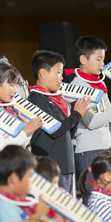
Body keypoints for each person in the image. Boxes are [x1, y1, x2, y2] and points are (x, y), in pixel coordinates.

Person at [66, 36, 111, 204]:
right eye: (98, 59)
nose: (102, 64)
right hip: (89, 151)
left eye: (103, 59)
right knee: (93, 202)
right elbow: (92, 122)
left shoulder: (98, 85)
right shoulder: (77, 86)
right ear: (83, 59)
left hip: (106, 149)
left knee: (109, 201)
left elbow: (109, 121)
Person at [28, 50, 92, 194]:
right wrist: (76, 114)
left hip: (64, 166)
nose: (61, 78)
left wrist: (76, 112)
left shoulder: (55, 99)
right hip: (49, 168)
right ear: (43, 73)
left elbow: (67, 135)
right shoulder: (36, 98)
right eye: (58, 72)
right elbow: (55, 129)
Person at [0, 62, 43, 184]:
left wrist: (28, 129)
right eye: (11, 85)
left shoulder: (7, 107)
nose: (14, 90)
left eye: (15, 85)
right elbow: (0, 147)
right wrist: (26, 131)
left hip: (11, 169)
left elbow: (20, 143)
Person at [0, 146, 64, 222]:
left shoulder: (20, 203)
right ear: (14, 178)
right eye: (30, 176)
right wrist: (39, 216)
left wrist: (58, 220)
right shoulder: (3, 207)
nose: (32, 182)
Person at [35, 156, 85, 222]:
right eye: (53, 183)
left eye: (57, 183)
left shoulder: (57, 206)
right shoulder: (37, 209)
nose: (56, 187)